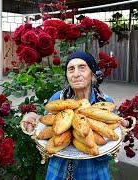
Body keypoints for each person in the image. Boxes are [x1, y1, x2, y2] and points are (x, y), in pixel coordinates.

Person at [22, 51, 129, 180]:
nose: (76, 74)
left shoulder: (105, 103)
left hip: (92, 173)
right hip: (58, 172)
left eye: (82, 67)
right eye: (71, 69)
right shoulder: (58, 99)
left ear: (92, 74)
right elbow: (45, 125)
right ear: (67, 75)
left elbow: (110, 145)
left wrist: (124, 127)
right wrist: (33, 117)